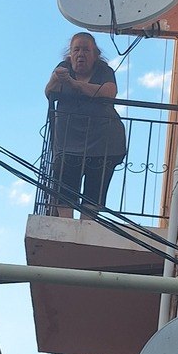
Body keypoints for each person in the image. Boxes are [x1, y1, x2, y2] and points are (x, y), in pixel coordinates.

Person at [44, 32, 128, 217]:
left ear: (95, 54)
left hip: (103, 143)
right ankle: (66, 228)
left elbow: (109, 92)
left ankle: (86, 224)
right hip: (69, 143)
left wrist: (75, 84)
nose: (80, 54)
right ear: (70, 54)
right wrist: (56, 78)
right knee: (64, 192)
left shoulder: (103, 71)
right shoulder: (64, 68)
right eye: (76, 50)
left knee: (93, 194)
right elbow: (49, 91)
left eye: (86, 50)